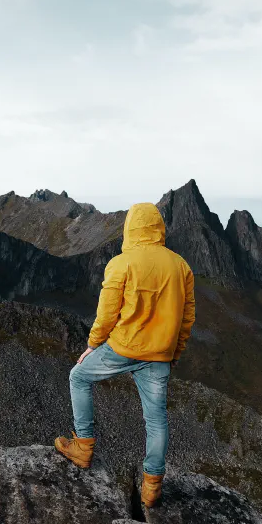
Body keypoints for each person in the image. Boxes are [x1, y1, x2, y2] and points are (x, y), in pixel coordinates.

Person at [55, 202, 195, 507]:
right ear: (159, 228)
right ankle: (151, 488)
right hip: (160, 355)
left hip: (122, 348)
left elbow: (106, 314)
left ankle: (83, 448)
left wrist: (92, 345)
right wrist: (174, 353)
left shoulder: (121, 263)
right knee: (156, 420)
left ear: (130, 228)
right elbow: (187, 318)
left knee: (78, 377)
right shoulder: (181, 266)